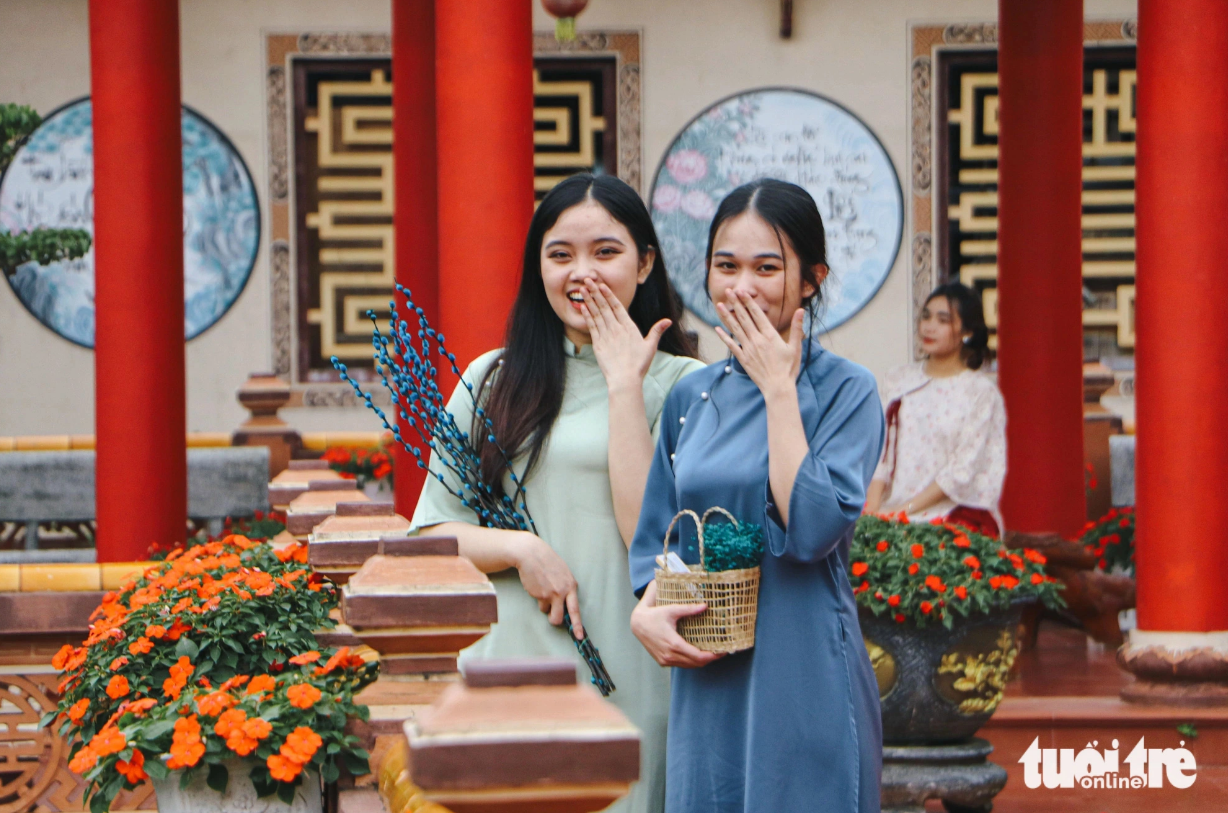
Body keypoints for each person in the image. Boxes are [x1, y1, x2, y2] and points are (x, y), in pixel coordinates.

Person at [410, 173, 705, 813]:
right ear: (536, 266)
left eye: (606, 252)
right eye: (560, 254)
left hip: (636, 664)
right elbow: (430, 535)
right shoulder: (492, 380)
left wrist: (626, 385)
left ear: (645, 261)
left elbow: (668, 542)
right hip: (511, 665)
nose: (583, 273)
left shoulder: (688, 385)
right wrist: (520, 549)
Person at [628, 179, 885, 813]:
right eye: (726, 266)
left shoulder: (848, 391)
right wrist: (646, 615)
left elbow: (813, 529)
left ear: (810, 280)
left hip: (803, 670)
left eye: (767, 268)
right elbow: (659, 538)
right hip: (708, 670)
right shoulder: (693, 396)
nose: (741, 286)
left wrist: (779, 390)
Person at [862, 282, 1006, 536]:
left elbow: (961, 470)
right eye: (926, 316)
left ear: (967, 331)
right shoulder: (899, 380)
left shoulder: (979, 392)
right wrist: (872, 512)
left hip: (952, 515)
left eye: (943, 320)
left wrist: (903, 512)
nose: (929, 326)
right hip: (890, 510)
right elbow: (881, 451)